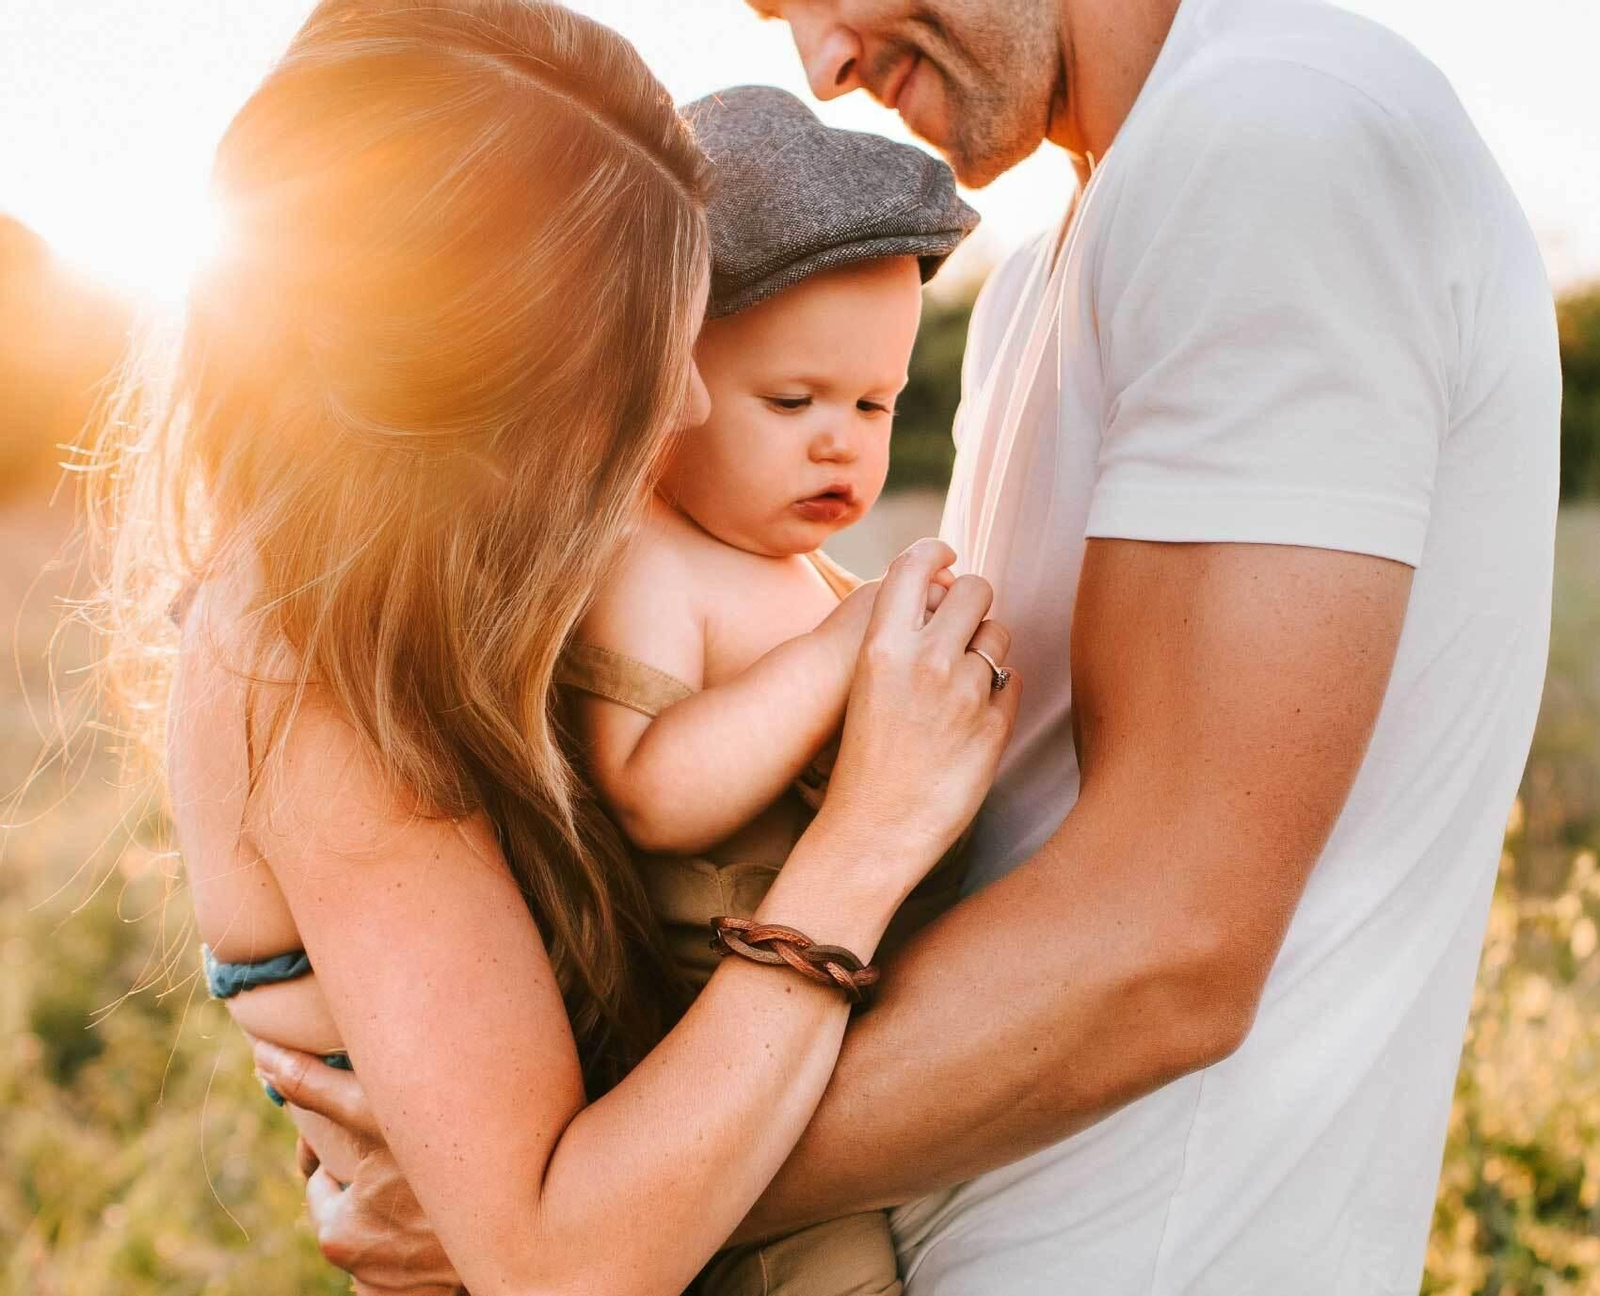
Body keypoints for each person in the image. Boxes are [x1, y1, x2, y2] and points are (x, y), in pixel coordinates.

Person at [268, 0, 1562, 1292]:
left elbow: (1171, 948)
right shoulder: (1047, 275)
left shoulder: (1279, 140)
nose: (822, 65)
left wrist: (562, 1210)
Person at [89, 4, 1017, 1296]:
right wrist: (868, 839)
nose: (686, 401)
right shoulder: (302, 660)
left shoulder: (472, 588)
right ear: (471, 380)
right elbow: (561, 1262)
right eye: (635, 359)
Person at [559, 85, 979, 1296]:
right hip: (718, 1059)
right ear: (663, 388)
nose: (840, 441)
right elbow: (646, 789)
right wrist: (844, 655)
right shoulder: (651, 558)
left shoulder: (789, 568)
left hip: (841, 1042)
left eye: (873, 404)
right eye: (791, 402)